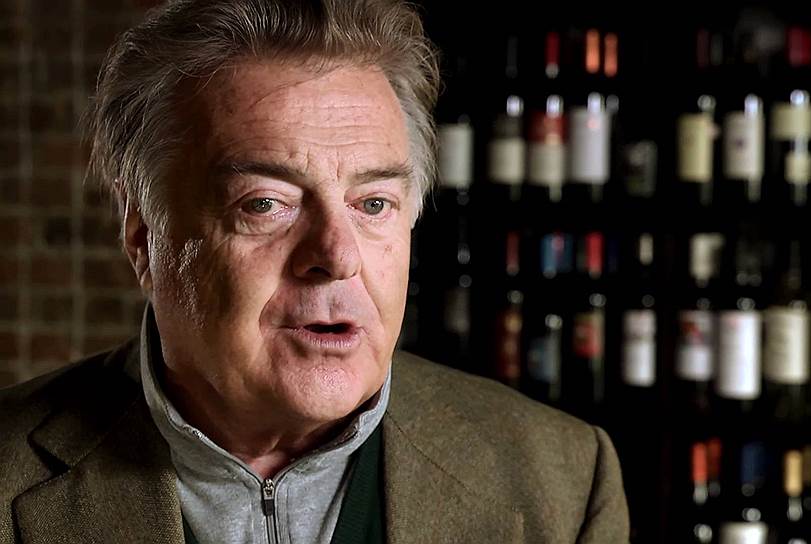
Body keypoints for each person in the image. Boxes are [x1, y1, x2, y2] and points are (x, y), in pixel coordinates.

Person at [0, 1, 629, 542]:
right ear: (144, 237)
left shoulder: (563, 481)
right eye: (266, 204)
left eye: (373, 204)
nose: (336, 255)